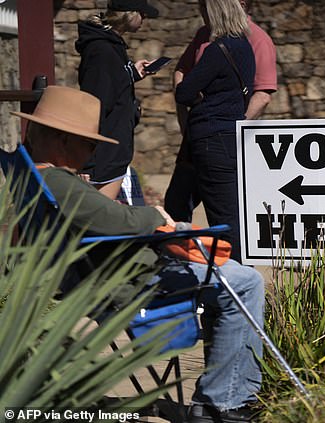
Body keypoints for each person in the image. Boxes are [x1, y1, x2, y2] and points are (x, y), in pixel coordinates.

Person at [12, 85, 263, 422]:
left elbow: (100, 217)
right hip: (132, 280)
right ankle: (226, 401)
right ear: (61, 139)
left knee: (226, 278)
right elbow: (117, 220)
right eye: (89, 144)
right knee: (246, 282)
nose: (91, 153)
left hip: (100, 275)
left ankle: (217, 394)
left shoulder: (34, 177)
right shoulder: (60, 183)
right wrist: (157, 216)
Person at [164, 0, 276, 237]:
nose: (202, 13)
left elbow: (263, 95)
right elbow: (181, 71)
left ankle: (235, 270)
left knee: (224, 216)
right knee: (178, 204)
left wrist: (229, 124)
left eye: (206, 8)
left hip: (215, 137)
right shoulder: (229, 40)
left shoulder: (244, 42)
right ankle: (182, 258)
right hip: (205, 137)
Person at [174, 0, 256, 263]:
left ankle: (235, 284)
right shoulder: (245, 46)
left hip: (211, 138)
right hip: (232, 135)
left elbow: (184, 92)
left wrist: (199, 95)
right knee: (232, 212)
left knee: (223, 219)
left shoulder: (217, 50)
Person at [75, 0, 158, 200]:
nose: (145, 17)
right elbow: (95, 104)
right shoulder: (102, 51)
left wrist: (131, 74)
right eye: (142, 13)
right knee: (97, 222)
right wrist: (88, 162)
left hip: (112, 151)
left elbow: (111, 85)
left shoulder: (111, 45)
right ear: (129, 14)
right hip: (104, 155)